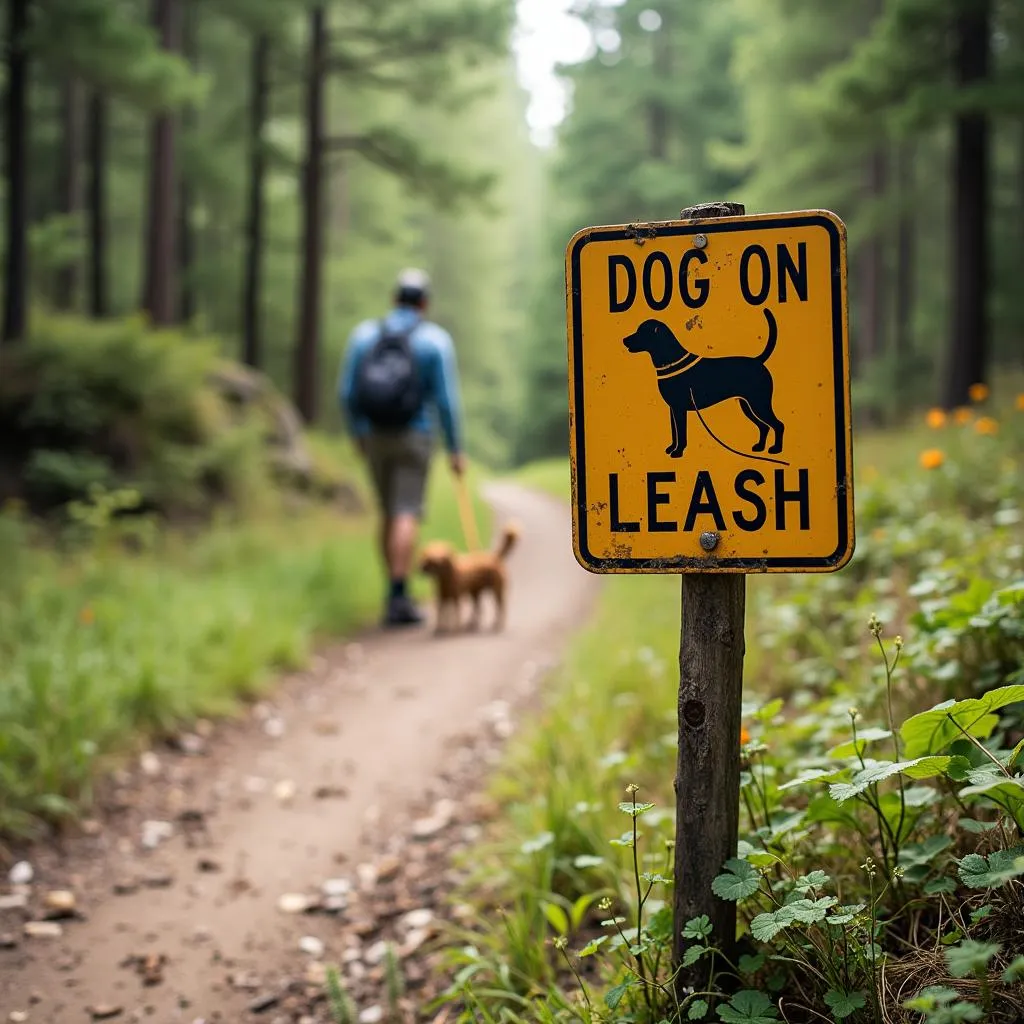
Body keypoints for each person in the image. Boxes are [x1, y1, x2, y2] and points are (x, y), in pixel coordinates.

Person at [339, 268, 466, 627]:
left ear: (394, 299)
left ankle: (392, 590)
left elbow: (347, 392)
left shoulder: (365, 335)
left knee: (387, 512)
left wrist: (358, 433)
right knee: (407, 511)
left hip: (375, 435)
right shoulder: (434, 340)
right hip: (416, 435)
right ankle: (399, 595)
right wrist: (456, 448)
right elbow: (446, 400)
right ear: (424, 303)